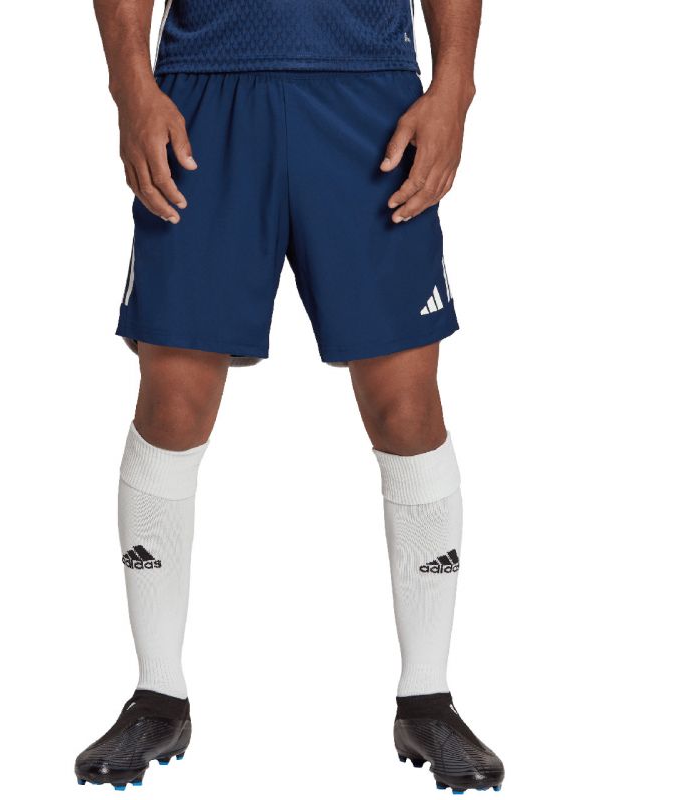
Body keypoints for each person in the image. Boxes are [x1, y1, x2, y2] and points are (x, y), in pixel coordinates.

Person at [75, 0, 504, 793]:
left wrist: (455, 88)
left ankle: (428, 699)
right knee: (172, 400)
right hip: (205, 91)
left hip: (367, 93)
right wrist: (131, 87)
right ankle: (158, 695)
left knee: (407, 405)